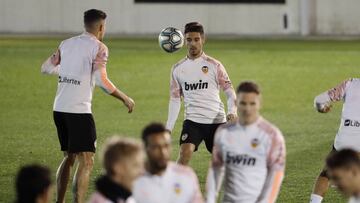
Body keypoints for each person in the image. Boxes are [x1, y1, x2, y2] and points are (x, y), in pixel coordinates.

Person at [41, 9, 135, 203]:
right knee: (87, 160)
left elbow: (46, 67)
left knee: (69, 157)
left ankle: (60, 202)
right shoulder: (99, 47)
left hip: (59, 108)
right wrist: (124, 97)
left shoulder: (66, 44)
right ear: (101, 27)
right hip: (79, 111)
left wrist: (69, 71)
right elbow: (101, 80)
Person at [166, 22, 237, 165]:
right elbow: (175, 100)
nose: (192, 44)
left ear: (203, 39)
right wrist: (168, 129)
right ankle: (171, 184)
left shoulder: (214, 65)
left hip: (216, 120)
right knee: (184, 154)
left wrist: (232, 111)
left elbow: (230, 93)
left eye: (196, 39)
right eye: (189, 40)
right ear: (184, 41)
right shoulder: (177, 69)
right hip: (193, 121)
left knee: (224, 161)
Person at [206, 81, 286, 203]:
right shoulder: (223, 132)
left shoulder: (272, 136)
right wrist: (210, 199)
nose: (247, 108)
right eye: (243, 103)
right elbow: (216, 168)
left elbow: (276, 175)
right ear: (236, 103)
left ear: (259, 104)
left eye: (252, 103)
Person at [310, 78, 360, 203]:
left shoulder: (350, 84)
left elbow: (319, 101)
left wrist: (321, 108)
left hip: (344, 139)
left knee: (326, 174)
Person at [133, 122, 203, 203]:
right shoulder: (133, 180)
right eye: (156, 147)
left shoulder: (186, 175)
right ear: (145, 148)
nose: (163, 152)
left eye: (166, 146)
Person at [88, 136, 144, 203]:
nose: (142, 172)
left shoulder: (127, 197)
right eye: (135, 165)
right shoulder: (104, 201)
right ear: (118, 168)